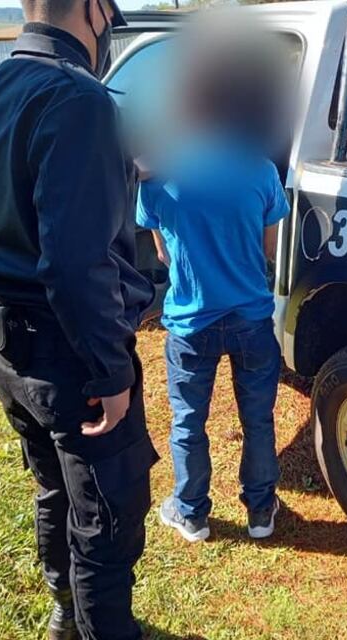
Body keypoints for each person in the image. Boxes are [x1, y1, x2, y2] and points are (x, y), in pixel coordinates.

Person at [0, 0, 157, 638]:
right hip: (68, 351)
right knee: (106, 512)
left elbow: (16, 202)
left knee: (55, 488)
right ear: (94, 11)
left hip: (10, 347)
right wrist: (110, 370)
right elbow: (76, 264)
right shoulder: (80, 99)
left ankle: (65, 616)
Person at [136, 26, 290, 544]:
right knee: (259, 419)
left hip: (190, 320)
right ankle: (262, 511)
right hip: (250, 316)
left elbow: (161, 252)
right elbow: (268, 250)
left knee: (187, 421)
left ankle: (192, 512)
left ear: (183, 106)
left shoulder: (160, 178)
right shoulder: (262, 170)